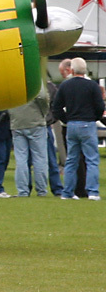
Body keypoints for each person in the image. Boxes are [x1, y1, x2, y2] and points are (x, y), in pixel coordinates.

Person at [52, 57, 105, 201]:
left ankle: (68, 192)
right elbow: (100, 107)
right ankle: (93, 192)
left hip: (72, 125)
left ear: (72, 70)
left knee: (71, 160)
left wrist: (66, 119)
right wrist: (94, 117)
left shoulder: (65, 86)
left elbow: (56, 108)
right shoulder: (92, 86)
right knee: (91, 159)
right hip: (87, 124)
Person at [8, 83, 50, 197]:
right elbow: (42, 97)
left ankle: (22, 191)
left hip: (17, 122)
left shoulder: (11, 81)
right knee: (40, 158)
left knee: (21, 158)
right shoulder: (33, 77)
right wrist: (43, 113)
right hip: (36, 121)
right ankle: (41, 190)